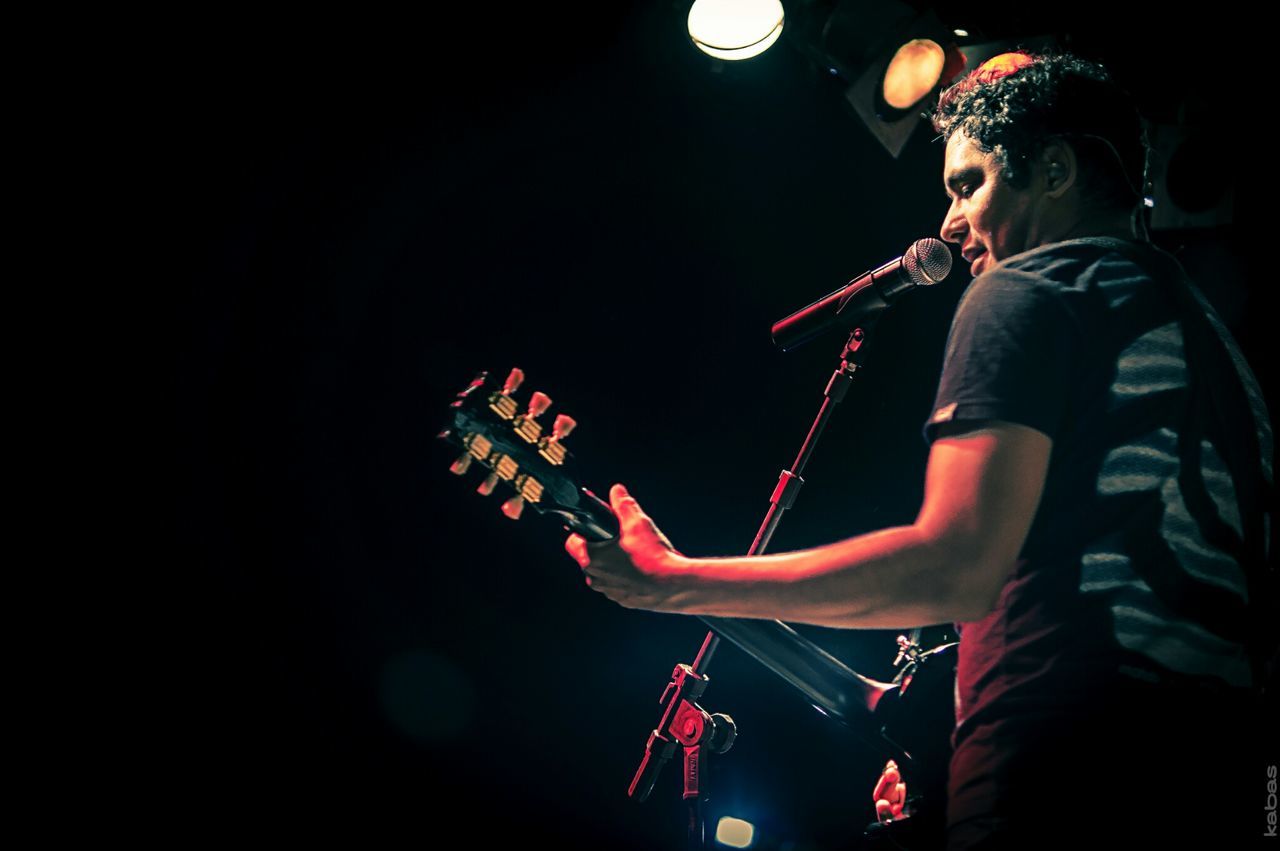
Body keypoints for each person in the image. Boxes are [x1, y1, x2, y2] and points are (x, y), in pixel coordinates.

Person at [566, 51, 1273, 849]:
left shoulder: (1030, 288)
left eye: (967, 184)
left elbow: (953, 568)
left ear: (1054, 169)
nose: (946, 224)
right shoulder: (1221, 355)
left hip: (1050, 780)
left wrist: (675, 582)